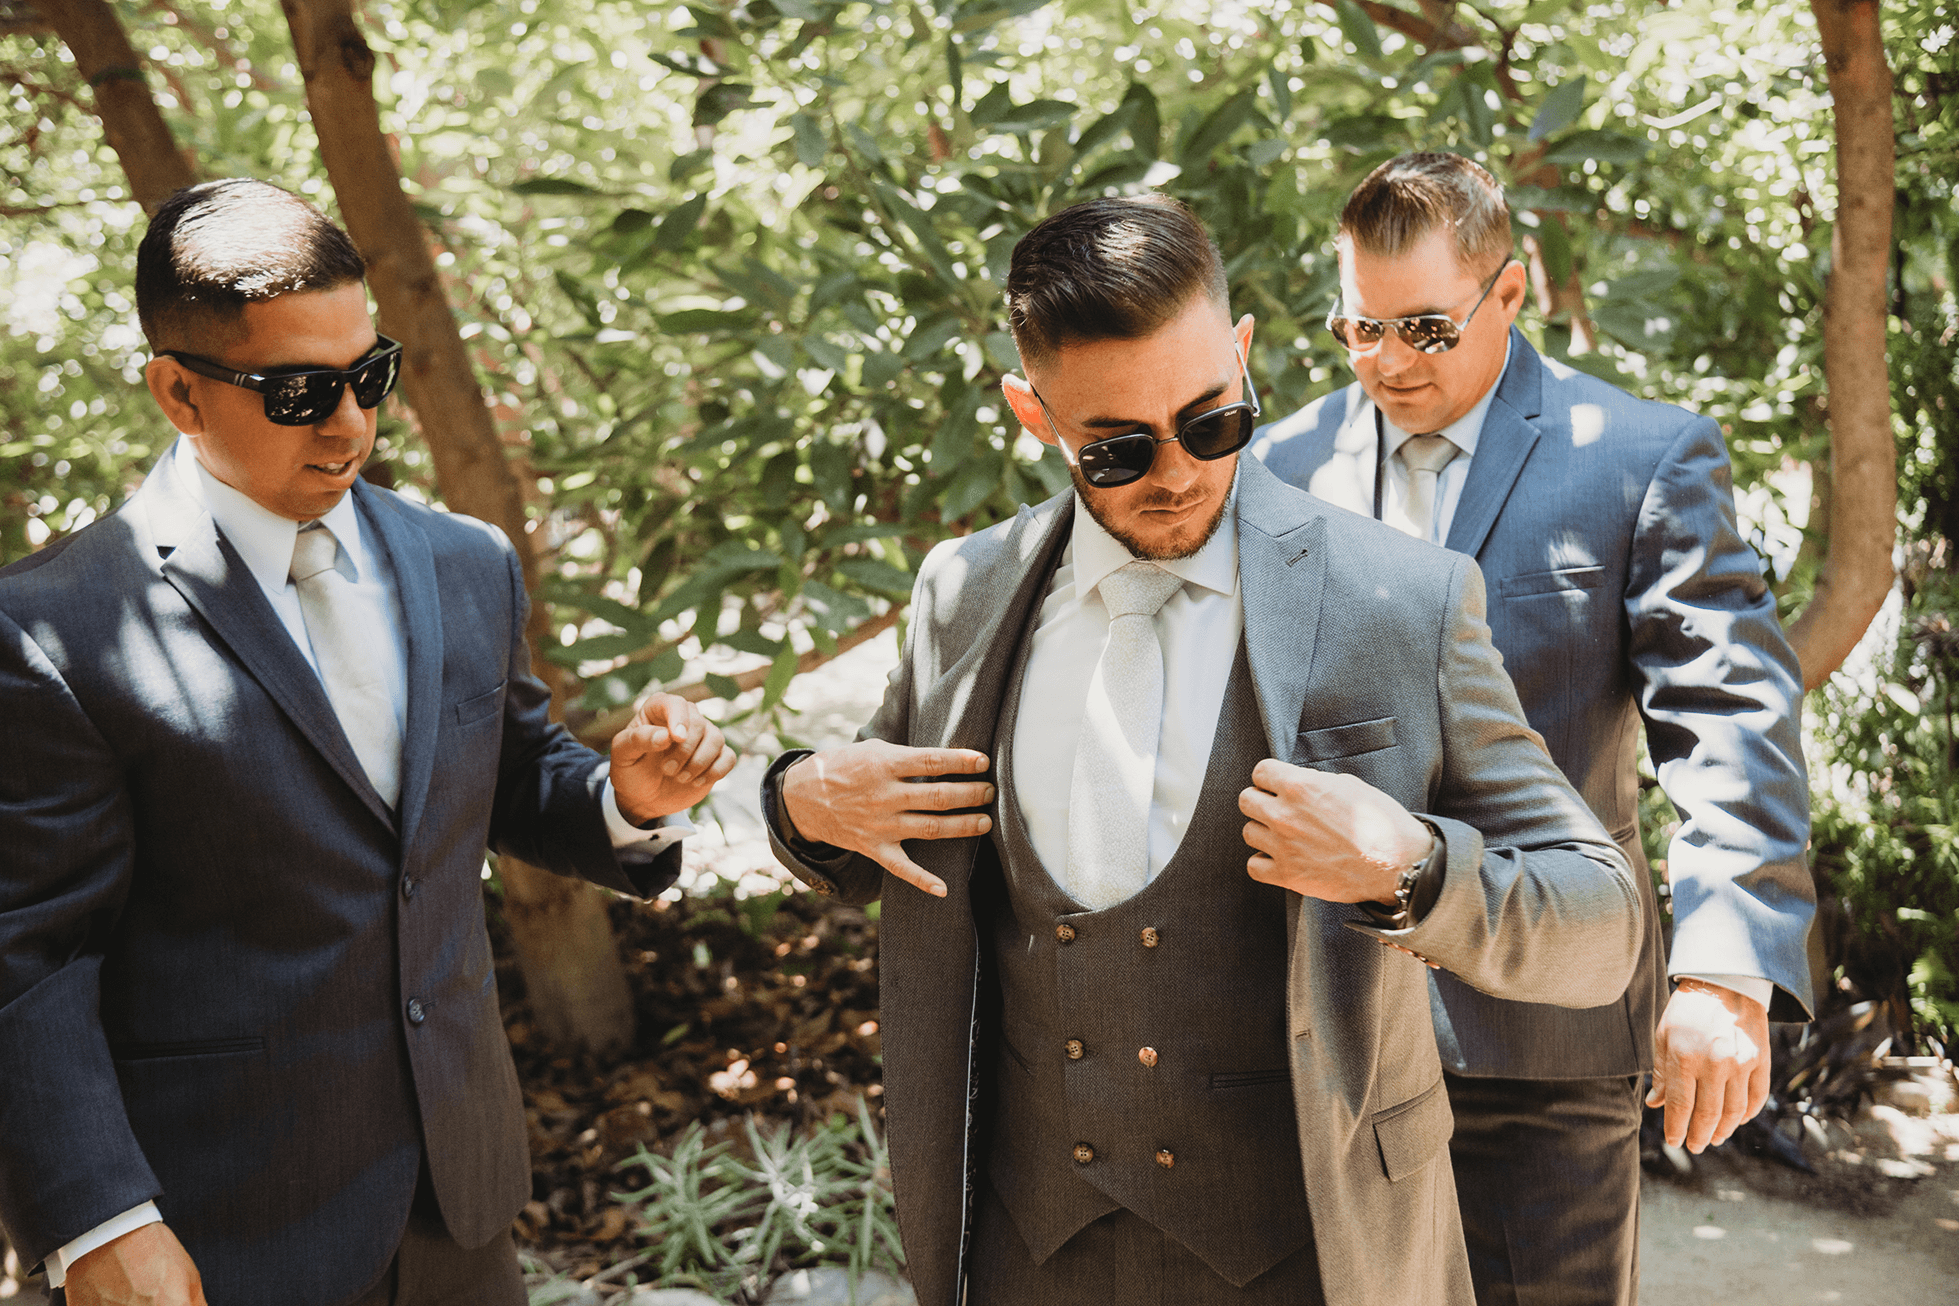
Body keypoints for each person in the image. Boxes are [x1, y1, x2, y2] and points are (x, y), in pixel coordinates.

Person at [757, 195, 1644, 1306]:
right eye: (1118, 448)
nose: (1177, 472)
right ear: (1033, 413)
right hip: (1029, 1257)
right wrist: (797, 802)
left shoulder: (1398, 602)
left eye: (1211, 420)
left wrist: (1411, 869)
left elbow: (1600, 925)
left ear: (1241, 353)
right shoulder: (962, 594)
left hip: (1314, 1258)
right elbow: (885, 833)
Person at [0, 179, 738, 1306]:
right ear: (178, 392)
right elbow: (27, 954)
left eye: (370, 374)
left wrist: (623, 796)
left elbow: (510, 775)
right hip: (210, 1232)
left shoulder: (466, 562)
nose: (348, 422)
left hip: (458, 1206)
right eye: (298, 391)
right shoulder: (52, 627)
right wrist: (99, 1221)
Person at [1252, 152, 1814, 1305]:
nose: (1388, 361)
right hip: (1326, 1037)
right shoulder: (1276, 467)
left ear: (1508, 292)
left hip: (1542, 1038)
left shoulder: (1642, 457)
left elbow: (1727, 716)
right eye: (1359, 329)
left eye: (1424, 327)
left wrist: (1726, 970)